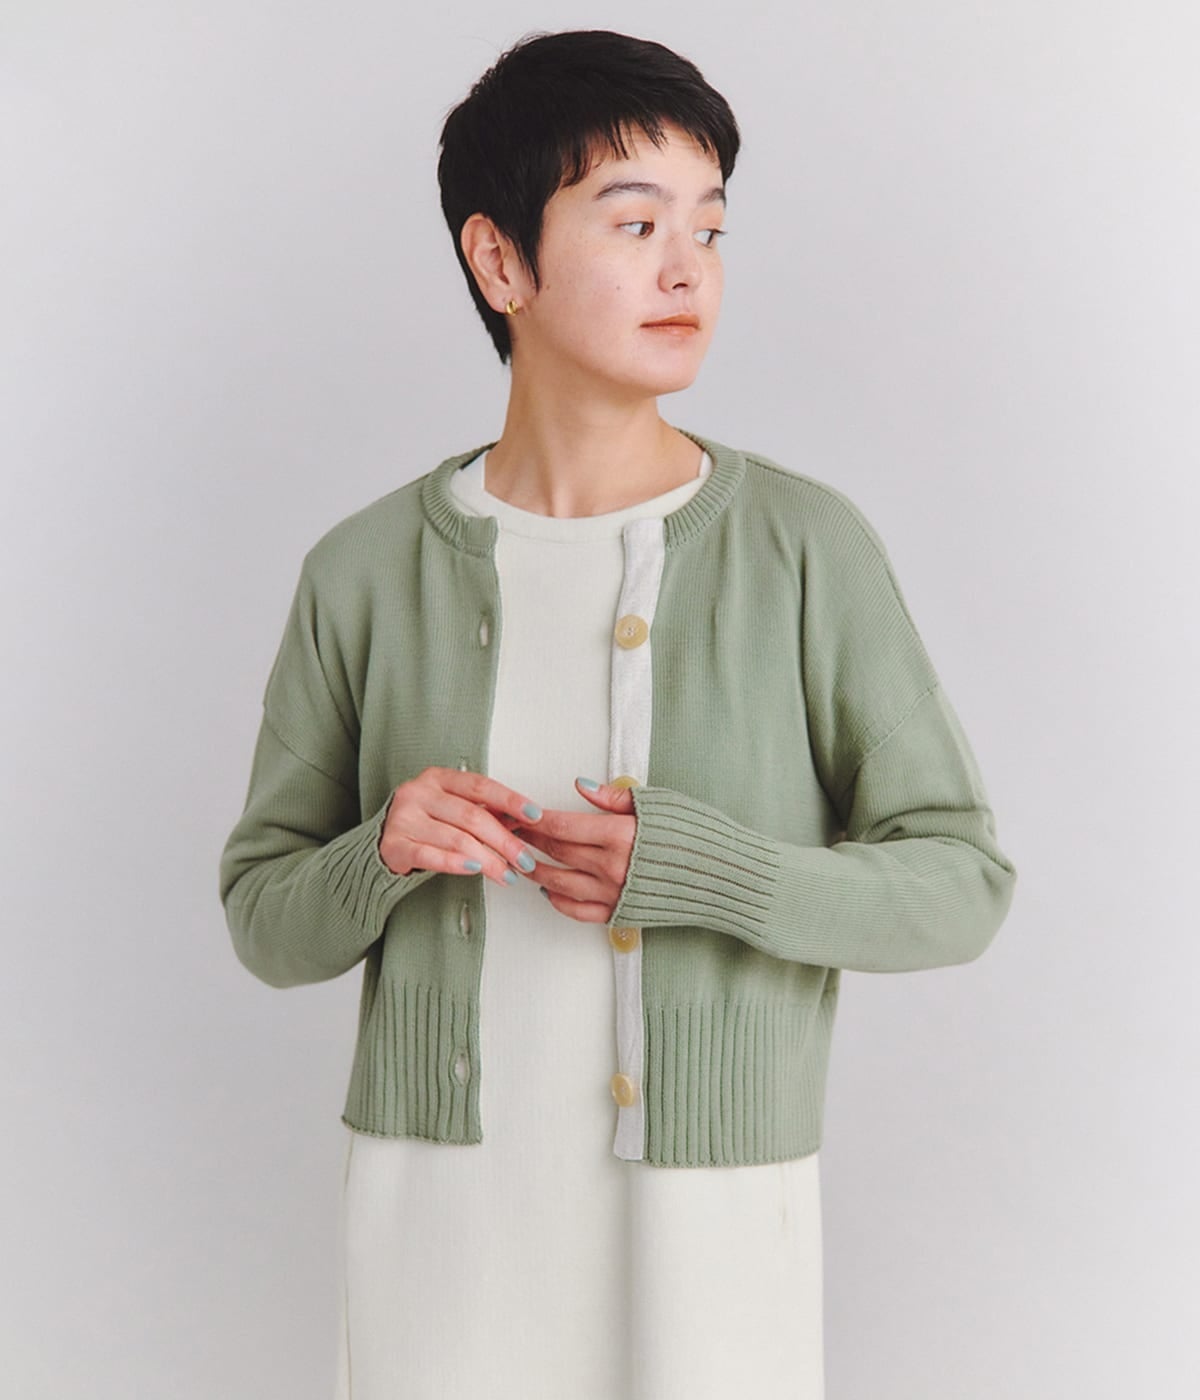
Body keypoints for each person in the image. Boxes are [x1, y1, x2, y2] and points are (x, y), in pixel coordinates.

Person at [218, 27, 1018, 1400]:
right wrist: (382, 852)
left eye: (710, 226)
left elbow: (961, 884)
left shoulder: (804, 550)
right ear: (500, 262)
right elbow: (263, 918)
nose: (687, 268)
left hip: (712, 1221)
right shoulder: (363, 570)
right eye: (636, 223)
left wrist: (717, 871)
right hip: (441, 1221)